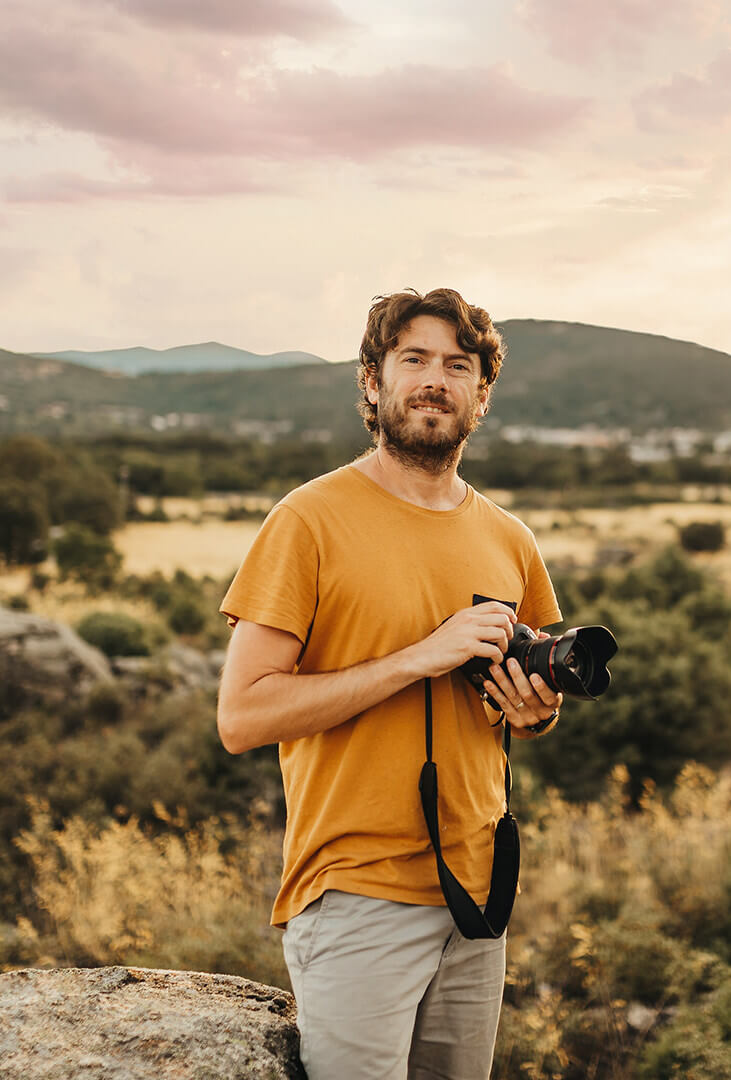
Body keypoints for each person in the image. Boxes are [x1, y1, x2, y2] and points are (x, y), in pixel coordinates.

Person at [217, 287, 563, 1079]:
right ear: (373, 381)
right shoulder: (307, 521)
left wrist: (535, 712)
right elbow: (241, 716)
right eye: (414, 359)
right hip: (356, 896)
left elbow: (529, 710)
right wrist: (417, 657)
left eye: (457, 364)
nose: (435, 379)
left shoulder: (510, 538)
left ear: (482, 394)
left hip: (477, 897)